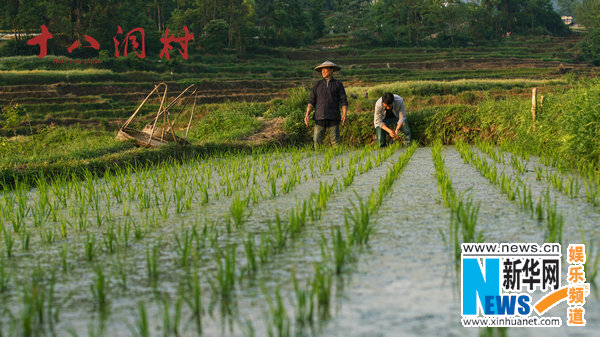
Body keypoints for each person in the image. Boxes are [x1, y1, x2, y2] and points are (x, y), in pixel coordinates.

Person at [304, 61, 348, 148]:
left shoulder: (338, 84)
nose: (323, 71)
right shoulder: (317, 84)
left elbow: (343, 101)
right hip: (319, 116)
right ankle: (318, 159)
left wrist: (344, 114)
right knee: (317, 140)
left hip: (333, 116)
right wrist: (307, 114)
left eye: (326, 69)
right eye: (322, 70)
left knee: (335, 142)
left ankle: (337, 159)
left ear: (331, 70)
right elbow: (311, 101)